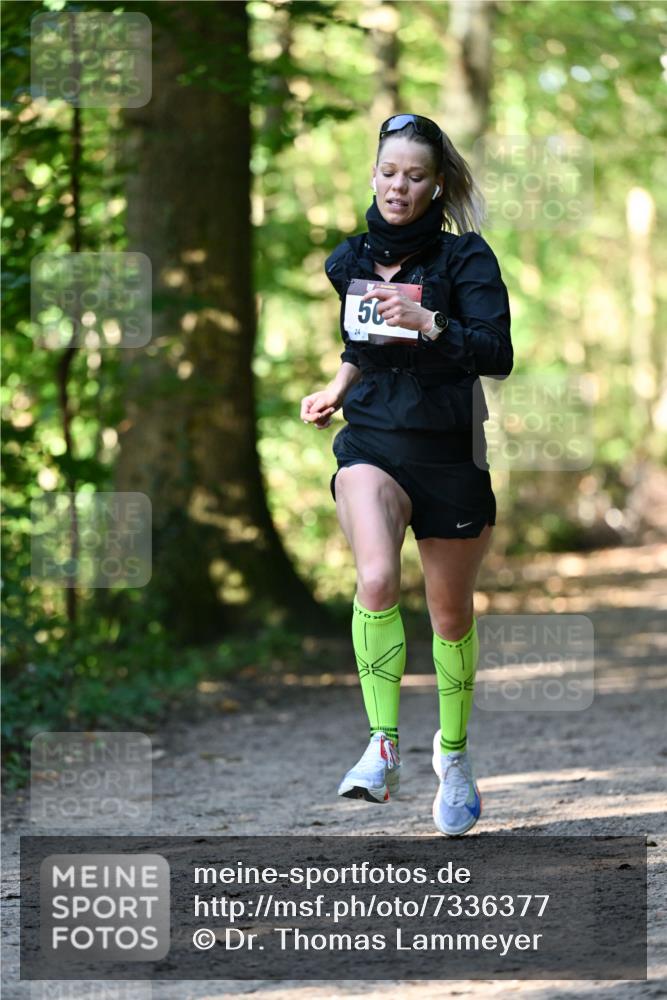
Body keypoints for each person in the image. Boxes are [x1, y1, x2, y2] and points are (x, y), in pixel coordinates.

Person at [300, 113, 512, 836]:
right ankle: (380, 745)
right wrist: (337, 386)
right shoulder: (347, 258)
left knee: (449, 615)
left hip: (450, 450)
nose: (399, 185)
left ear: (436, 185)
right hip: (373, 441)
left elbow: (495, 353)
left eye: (415, 176)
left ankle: (452, 758)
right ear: (373, 175)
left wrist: (431, 325)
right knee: (375, 579)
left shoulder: (465, 261)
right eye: (389, 172)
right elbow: (361, 341)